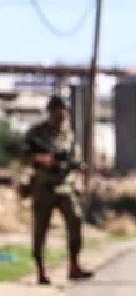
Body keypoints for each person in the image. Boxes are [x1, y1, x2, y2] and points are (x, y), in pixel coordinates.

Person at [22, 95, 93, 284]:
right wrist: (41, 159)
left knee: (75, 220)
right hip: (43, 187)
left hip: (64, 186)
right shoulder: (37, 133)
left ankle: (74, 266)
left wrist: (79, 171)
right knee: (40, 229)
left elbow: (75, 157)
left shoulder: (68, 134)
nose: (61, 117)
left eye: (63, 113)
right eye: (57, 113)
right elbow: (24, 155)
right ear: (50, 113)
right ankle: (41, 271)